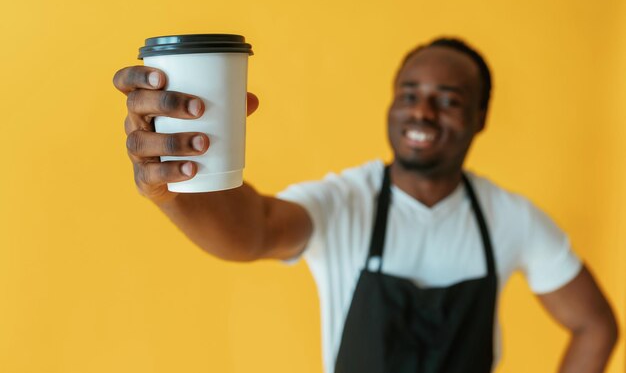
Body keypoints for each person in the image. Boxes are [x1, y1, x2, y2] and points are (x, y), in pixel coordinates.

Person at [113, 37, 618, 373]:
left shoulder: (510, 218)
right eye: (409, 94)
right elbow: (255, 231)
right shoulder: (345, 202)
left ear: (480, 116)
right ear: (392, 105)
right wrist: (172, 187)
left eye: (448, 99)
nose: (422, 109)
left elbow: (595, 325)